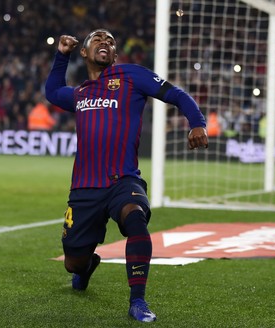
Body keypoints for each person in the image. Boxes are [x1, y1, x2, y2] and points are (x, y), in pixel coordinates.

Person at [45, 30, 208, 323]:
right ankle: (86, 266)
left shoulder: (131, 76)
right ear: (84, 52)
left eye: (110, 41)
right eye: (97, 39)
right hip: (84, 188)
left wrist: (197, 123)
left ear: (116, 55)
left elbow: (176, 94)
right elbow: (53, 92)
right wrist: (61, 55)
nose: (104, 43)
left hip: (123, 179)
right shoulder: (80, 94)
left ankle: (138, 301)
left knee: (135, 219)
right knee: (73, 263)